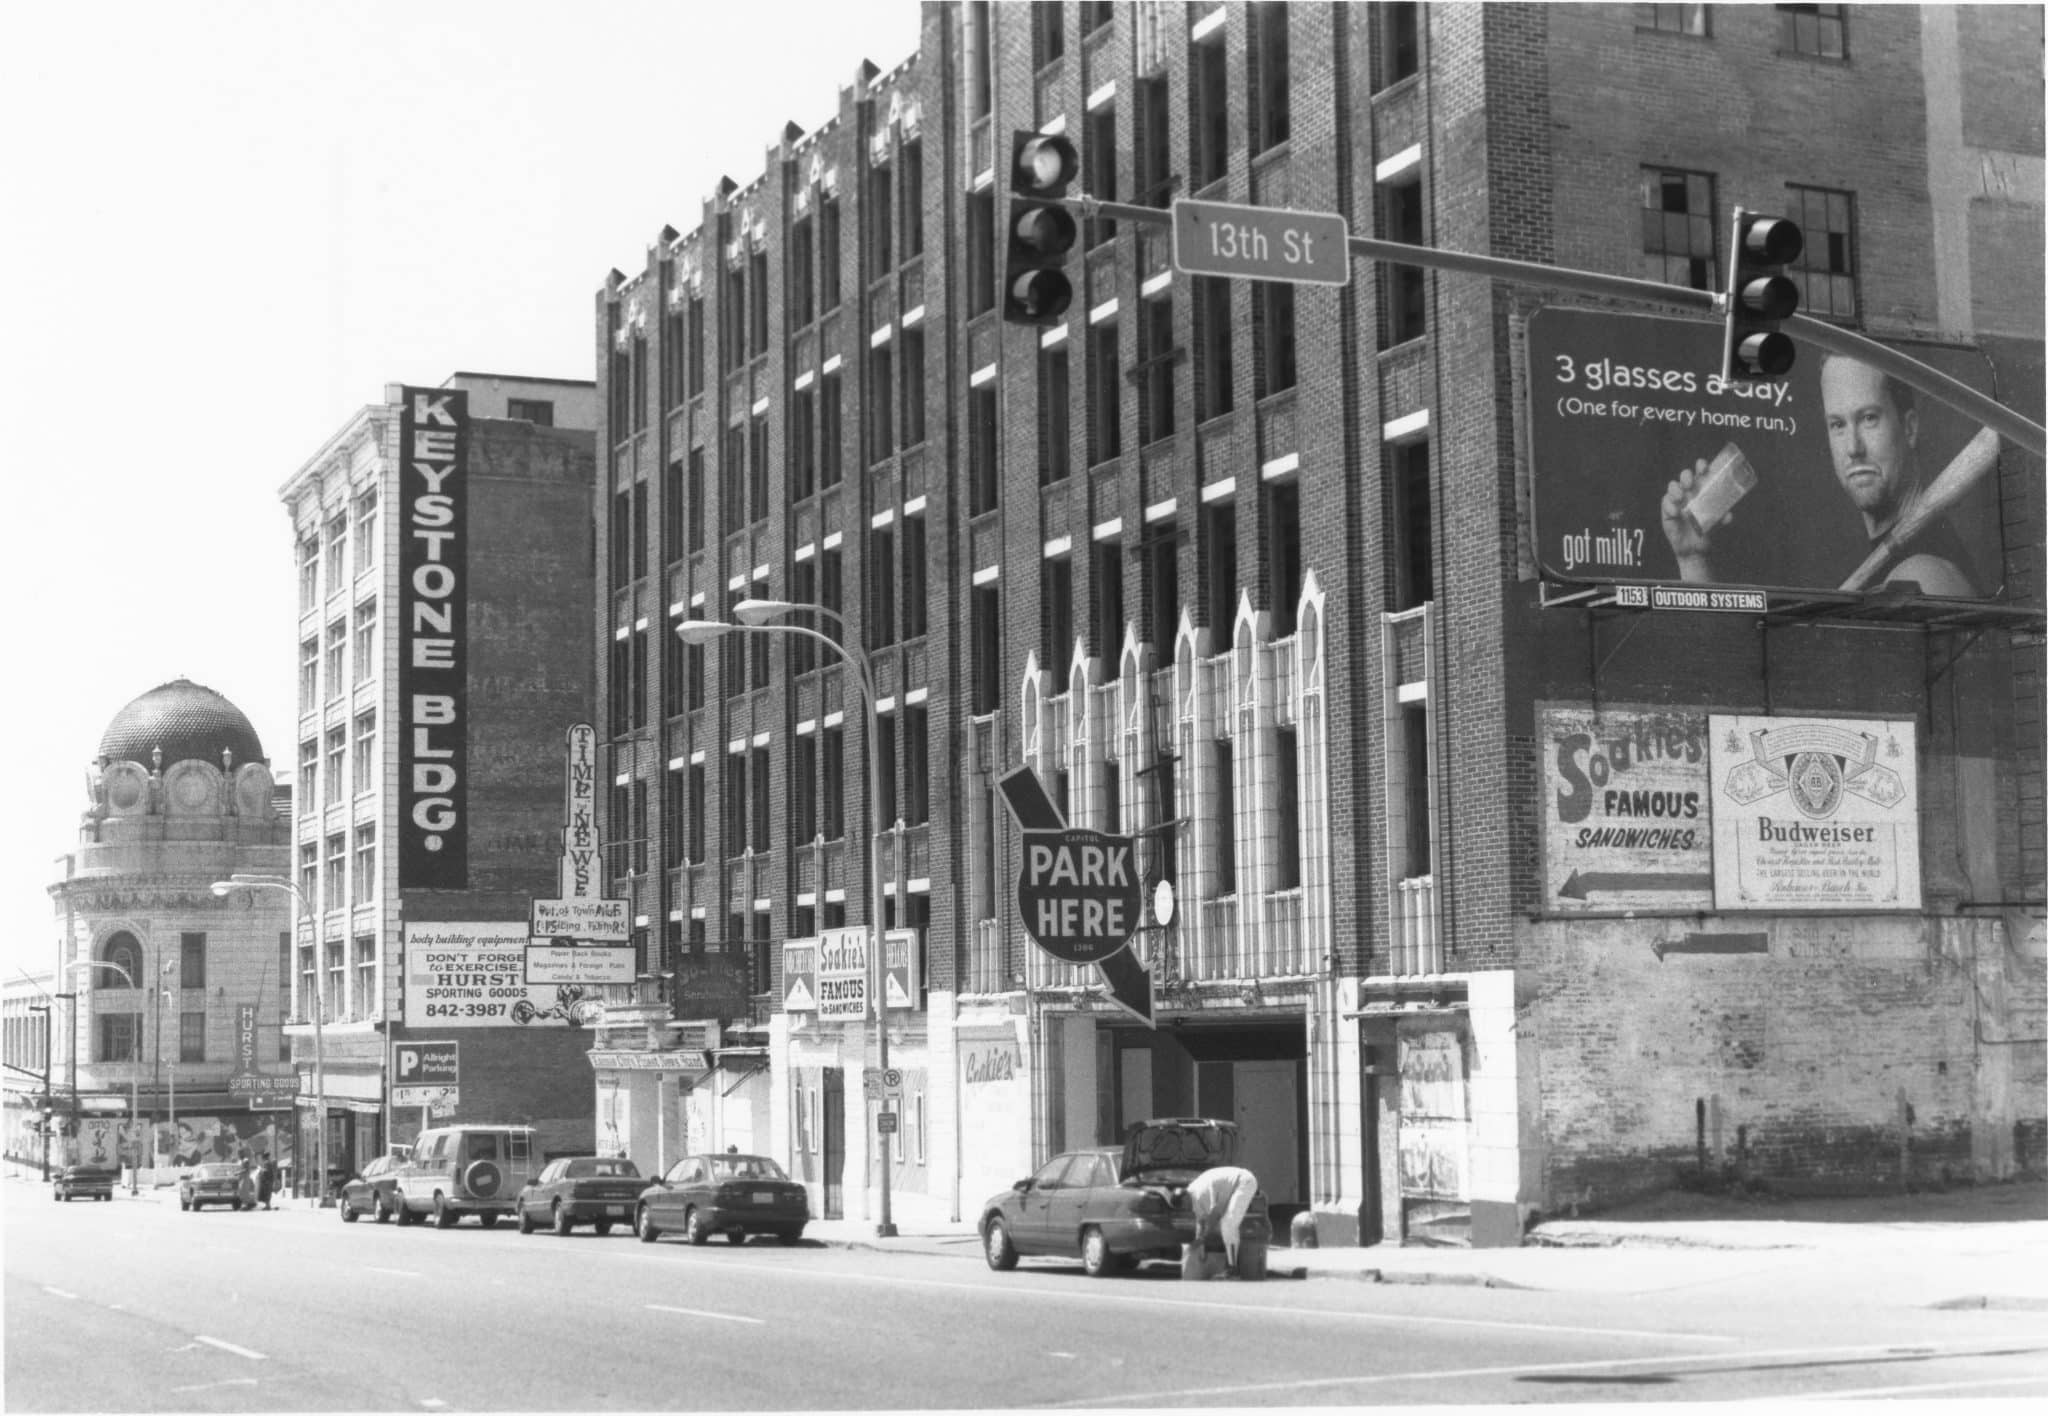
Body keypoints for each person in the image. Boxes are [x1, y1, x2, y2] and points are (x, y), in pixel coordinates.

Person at [1661, 353, 1979, 597]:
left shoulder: (1924, 576)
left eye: (1869, 418)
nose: (1853, 448)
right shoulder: (1892, 567)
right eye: (1838, 425)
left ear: (1909, 428)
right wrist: (1692, 560)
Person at [1184, 1165, 1259, 1276]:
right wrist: (1199, 1242)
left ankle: (1232, 1269)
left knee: (1228, 1224)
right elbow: (1201, 1221)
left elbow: (1215, 1214)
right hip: (1232, 1187)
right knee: (1227, 1224)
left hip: (1244, 1182)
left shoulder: (1200, 1193)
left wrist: (1202, 1239)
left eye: (1183, 1205)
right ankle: (1231, 1264)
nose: (1185, 1208)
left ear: (1185, 1198)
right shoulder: (1192, 1195)